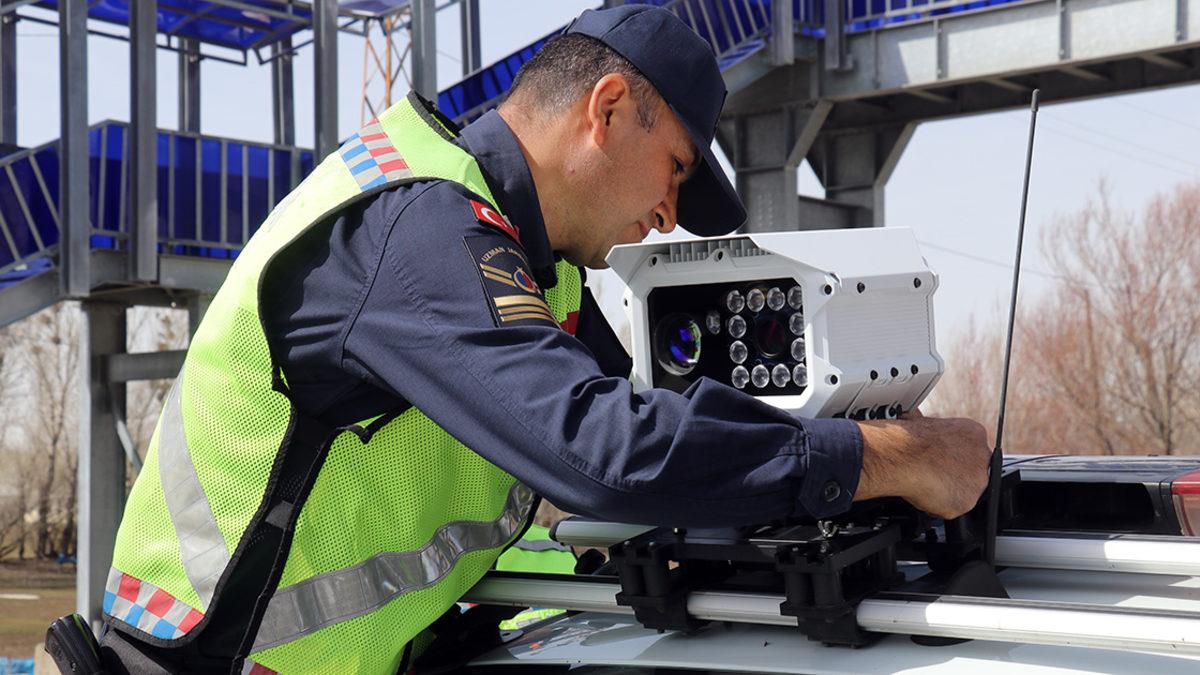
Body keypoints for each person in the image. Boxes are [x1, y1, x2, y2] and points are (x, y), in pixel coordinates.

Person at [90, 5, 991, 673]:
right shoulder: (422, 229)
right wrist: (888, 455)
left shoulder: (533, 261)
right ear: (604, 111)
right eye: (674, 168)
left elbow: (650, 426)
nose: (668, 217)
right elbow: (606, 452)